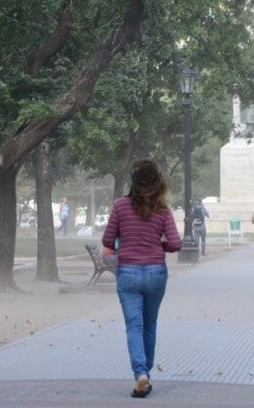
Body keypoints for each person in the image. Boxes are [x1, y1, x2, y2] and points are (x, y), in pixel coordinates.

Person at [101, 160, 182, 398]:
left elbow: (108, 241)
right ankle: (146, 371)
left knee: (134, 326)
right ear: (158, 182)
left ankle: (140, 374)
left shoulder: (120, 206)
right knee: (150, 325)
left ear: (134, 182)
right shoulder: (162, 210)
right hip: (156, 272)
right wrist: (158, 245)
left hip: (128, 273)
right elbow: (176, 244)